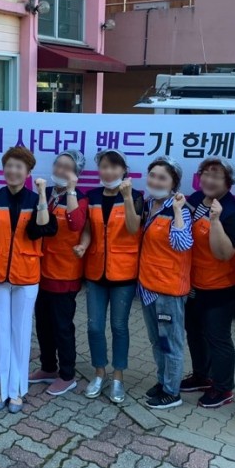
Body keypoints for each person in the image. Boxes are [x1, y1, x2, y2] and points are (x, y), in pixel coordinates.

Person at [0, 146, 57, 413]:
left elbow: (42, 229)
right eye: (9, 165)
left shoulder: (35, 199)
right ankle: (0, 387)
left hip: (27, 275)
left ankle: (18, 390)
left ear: (28, 172)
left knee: (20, 333)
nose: (13, 171)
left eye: (19, 167)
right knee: (0, 333)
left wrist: (42, 194)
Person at [182, 157, 235, 409]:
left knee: (217, 338)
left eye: (216, 176)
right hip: (193, 283)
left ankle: (223, 387)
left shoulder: (232, 212)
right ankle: (202, 375)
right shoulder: (196, 199)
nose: (209, 180)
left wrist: (216, 221)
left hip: (221, 287)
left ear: (228, 182)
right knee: (194, 332)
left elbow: (224, 254)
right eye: (206, 174)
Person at [80, 149, 143, 404]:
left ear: (123, 170)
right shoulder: (92, 196)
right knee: (94, 326)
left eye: (114, 167)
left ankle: (118, 377)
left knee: (119, 326)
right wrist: (83, 245)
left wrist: (126, 197)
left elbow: (133, 228)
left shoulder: (136, 196)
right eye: (104, 166)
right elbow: (87, 229)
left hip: (123, 273)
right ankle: (99, 373)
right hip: (95, 271)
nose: (108, 171)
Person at [29, 150, 87, 397]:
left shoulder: (80, 198)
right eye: (58, 165)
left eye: (67, 167)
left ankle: (67, 375)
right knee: (43, 324)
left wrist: (71, 190)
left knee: (62, 327)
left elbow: (75, 224)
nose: (61, 170)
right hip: (40, 271)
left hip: (64, 273)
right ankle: (48, 367)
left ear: (76, 173)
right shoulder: (47, 192)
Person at [138, 157, 193, 410]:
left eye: (162, 178)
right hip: (148, 286)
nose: (155, 181)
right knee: (157, 340)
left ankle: (172, 392)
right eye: (153, 175)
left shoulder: (179, 209)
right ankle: (163, 382)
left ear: (173, 184)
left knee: (170, 343)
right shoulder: (149, 204)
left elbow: (182, 244)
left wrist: (179, 211)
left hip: (168, 290)